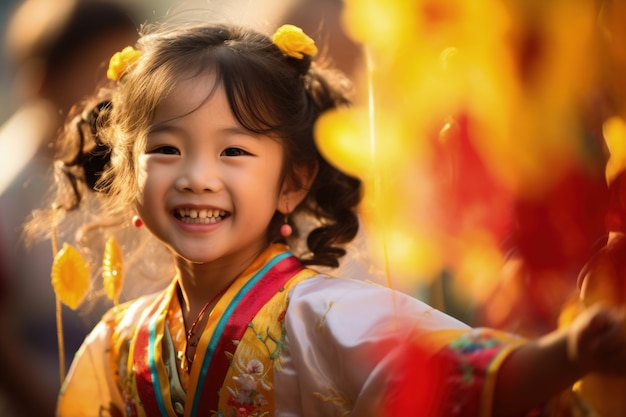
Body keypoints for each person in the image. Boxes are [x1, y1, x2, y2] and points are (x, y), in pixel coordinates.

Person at [29, 19, 626, 417]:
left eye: (233, 151)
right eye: (166, 149)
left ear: (291, 182)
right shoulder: (116, 343)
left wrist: (570, 353)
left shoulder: (327, 317)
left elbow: (460, 377)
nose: (197, 176)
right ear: (128, 176)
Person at [0, 0, 139, 415]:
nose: (117, 90)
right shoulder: (10, 183)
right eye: (100, 72)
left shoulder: (136, 159)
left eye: (127, 73)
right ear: (40, 83)